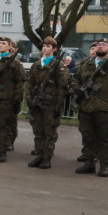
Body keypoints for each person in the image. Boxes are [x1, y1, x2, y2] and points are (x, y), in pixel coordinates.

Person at [73, 38, 108, 176]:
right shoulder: (86, 64)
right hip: (86, 107)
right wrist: (76, 90)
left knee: (104, 138)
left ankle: (104, 166)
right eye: (98, 44)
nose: (101, 46)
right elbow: (75, 79)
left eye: (104, 45)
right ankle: (89, 163)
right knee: (87, 137)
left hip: (104, 109)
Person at [25, 37, 71, 169]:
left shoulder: (59, 66)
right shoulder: (37, 65)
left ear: (54, 49)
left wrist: (58, 106)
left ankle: (47, 157)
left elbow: (62, 87)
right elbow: (29, 83)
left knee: (49, 132)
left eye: (48, 46)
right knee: (38, 131)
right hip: (37, 103)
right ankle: (39, 155)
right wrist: (28, 99)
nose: (45, 48)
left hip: (50, 105)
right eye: (44, 46)